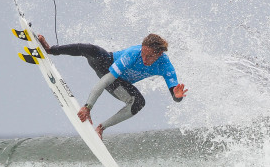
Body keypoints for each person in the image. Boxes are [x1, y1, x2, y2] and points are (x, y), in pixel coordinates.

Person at [38, 33, 188, 138]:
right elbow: (105, 80)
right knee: (90, 49)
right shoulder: (133, 54)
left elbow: (175, 95)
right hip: (105, 63)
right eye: (143, 53)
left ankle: (101, 128)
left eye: (149, 56)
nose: (144, 58)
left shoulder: (166, 66)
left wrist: (177, 96)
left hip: (119, 84)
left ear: (159, 54)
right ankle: (51, 50)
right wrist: (87, 107)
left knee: (139, 103)